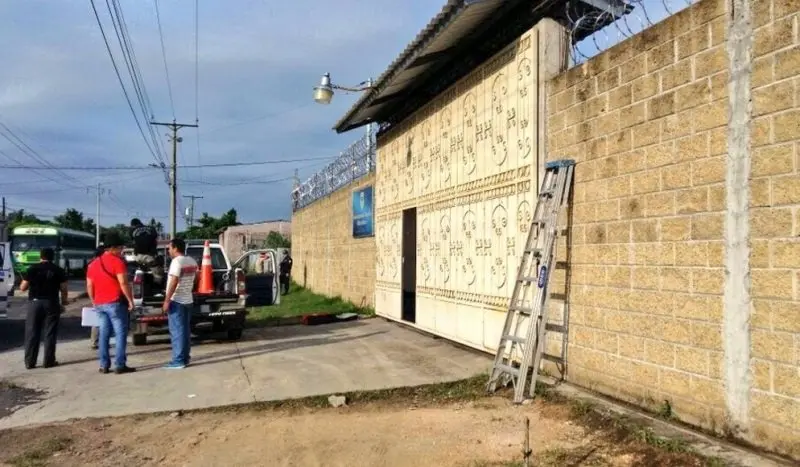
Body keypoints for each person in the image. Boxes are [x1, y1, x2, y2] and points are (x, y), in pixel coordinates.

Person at [86, 232, 136, 374]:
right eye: (120, 248)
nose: (121, 251)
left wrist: (93, 301)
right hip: (115, 303)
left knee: (104, 335)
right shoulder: (118, 262)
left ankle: (103, 365)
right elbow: (123, 283)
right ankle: (120, 365)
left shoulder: (93, 264)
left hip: (100, 304)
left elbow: (89, 285)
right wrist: (130, 301)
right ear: (113, 248)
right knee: (120, 334)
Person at [19, 248, 68, 369]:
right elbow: (64, 289)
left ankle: (30, 362)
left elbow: (22, 288)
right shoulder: (58, 270)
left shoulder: (32, 269)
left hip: (34, 303)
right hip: (51, 303)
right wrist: (64, 302)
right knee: (50, 332)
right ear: (52, 257)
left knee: (32, 332)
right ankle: (48, 361)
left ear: (40, 256)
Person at [162, 238, 198, 369]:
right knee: (185, 331)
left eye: (169, 248)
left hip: (177, 301)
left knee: (177, 331)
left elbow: (174, 281)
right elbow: (197, 278)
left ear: (176, 248)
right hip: (188, 299)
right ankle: (185, 358)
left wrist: (167, 300)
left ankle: (178, 360)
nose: (168, 250)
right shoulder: (192, 261)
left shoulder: (176, 262)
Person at [129, 218, 163, 285]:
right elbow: (154, 239)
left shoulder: (132, 230)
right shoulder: (151, 228)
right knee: (158, 274)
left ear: (133, 225)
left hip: (137, 256)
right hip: (150, 257)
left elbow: (135, 241)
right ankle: (157, 287)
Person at [89, 244, 105, 350]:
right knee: (106, 321)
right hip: (106, 295)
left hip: (96, 295)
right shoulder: (105, 264)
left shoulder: (91, 265)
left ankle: (94, 341)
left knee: (97, 320)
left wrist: (92, 299)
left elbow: (89, 284)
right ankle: (104, 341)